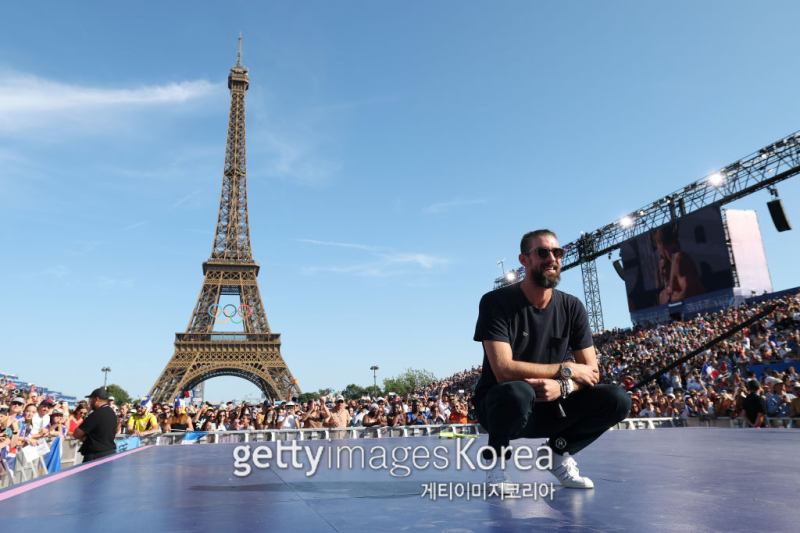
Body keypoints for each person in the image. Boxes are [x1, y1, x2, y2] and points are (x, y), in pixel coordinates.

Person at [473, 229, 631, 494]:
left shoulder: (572, 306)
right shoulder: (495, 302)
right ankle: (497, 464)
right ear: (524, 260)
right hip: (503, 408)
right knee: (517, 389)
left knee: (618, 398)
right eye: (543, 252)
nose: (552, 258)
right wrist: (564, 370)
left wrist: (564, 387)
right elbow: (503, 370)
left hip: (553, 404)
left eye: (557, 252)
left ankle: (557, 453)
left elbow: (592, 373)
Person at [73, 388, 118, 463]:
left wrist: (87, 415)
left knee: (88, 475)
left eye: (91, 400)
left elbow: (76, 434)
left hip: (95, 457)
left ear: (96, 399)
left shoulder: (96, 415)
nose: (90, 403)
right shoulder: (112, 413)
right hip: (109, 454)